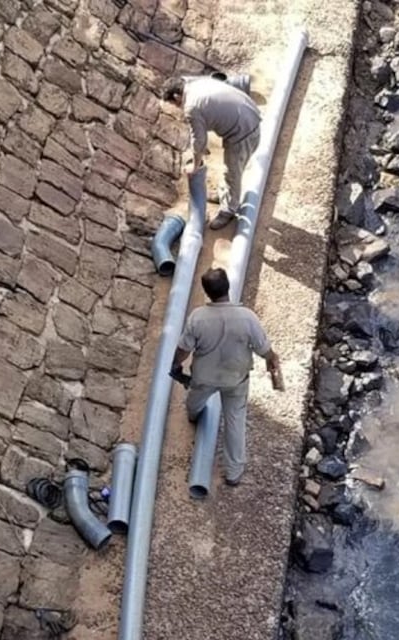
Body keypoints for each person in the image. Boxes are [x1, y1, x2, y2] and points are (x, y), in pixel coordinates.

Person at [171, 267, 283, 486]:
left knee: (194, 401)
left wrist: (175, 365)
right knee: (235, 420)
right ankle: (233, 472)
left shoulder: (198, 318)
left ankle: (193, 416)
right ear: (228, 287)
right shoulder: (247, 317)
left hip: (204, 376)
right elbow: (264, 349)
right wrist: (272, 359)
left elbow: (183, 349)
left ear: (207, 292)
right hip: (236, 377)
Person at [161, 75, 262, 230]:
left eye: (175, 104)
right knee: (228, 168)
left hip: (244, 131)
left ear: (176, 96)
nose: (177, 108)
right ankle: (224, 195)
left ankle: (229, 209)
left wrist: (195, 165)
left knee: (232, 171)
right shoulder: (193, 82)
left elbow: (198, 141)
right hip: (248, 113)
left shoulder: (191, 106)